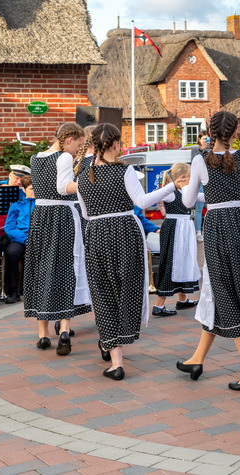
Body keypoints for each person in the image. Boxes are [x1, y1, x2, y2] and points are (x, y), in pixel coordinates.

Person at [175, 111, 240, 390]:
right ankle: (197, 358)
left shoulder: (200, 160)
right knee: (223, 292)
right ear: (235, 131)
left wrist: (183, 188)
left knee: (225, 294)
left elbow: (189, 200)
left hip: (218, 227)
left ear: (210, 130)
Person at [77, 124, 177, 380]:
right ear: (113, 144)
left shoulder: (82, 176)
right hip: (123, 231)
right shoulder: (125, 170)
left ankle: (116, 361)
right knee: (128, 287)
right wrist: (171, 187)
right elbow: (142, 202)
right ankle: (124, 333)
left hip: (96, 233)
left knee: (103, 293)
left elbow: (86, 214)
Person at [24, 123, 91, 354]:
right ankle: (64, 329)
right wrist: (89, 182)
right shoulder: (63, 157)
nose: (77, 150)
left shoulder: (36, 158)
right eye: (78, 144)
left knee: (41, 268)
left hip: (40, 216)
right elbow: (63, 188)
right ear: (69, 138)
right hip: (61, 216)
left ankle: (42, 334)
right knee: (65, 269)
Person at [153, 164, 200, 317]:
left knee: (183, 260)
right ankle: (159, 305)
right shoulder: (171, 192)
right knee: (171, 262)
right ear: (182, 178)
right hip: (175, 228)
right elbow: (156, 196)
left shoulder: (182, 191)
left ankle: (182, 299)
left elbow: (200, 197)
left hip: (183, 227)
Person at [1, 172, 34, 304]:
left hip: (38, 239)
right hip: (21, 239)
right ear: (24, 189)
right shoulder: (16, 206)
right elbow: (9, 227)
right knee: (11, 252)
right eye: (31, 189)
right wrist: (25, 239)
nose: (34, 191)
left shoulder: (43, 205)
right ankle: (14, 290)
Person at [191, 131, 209, 241]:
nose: (206, 141)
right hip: (199, 181)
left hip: (209, 179)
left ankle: (207, 230)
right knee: (199, 207)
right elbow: (194, 161)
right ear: (199, 139)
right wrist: (202, 149)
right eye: (204, 139)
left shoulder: (211, 150)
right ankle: (198, 232)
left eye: (208, 139)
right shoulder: (195, 149)